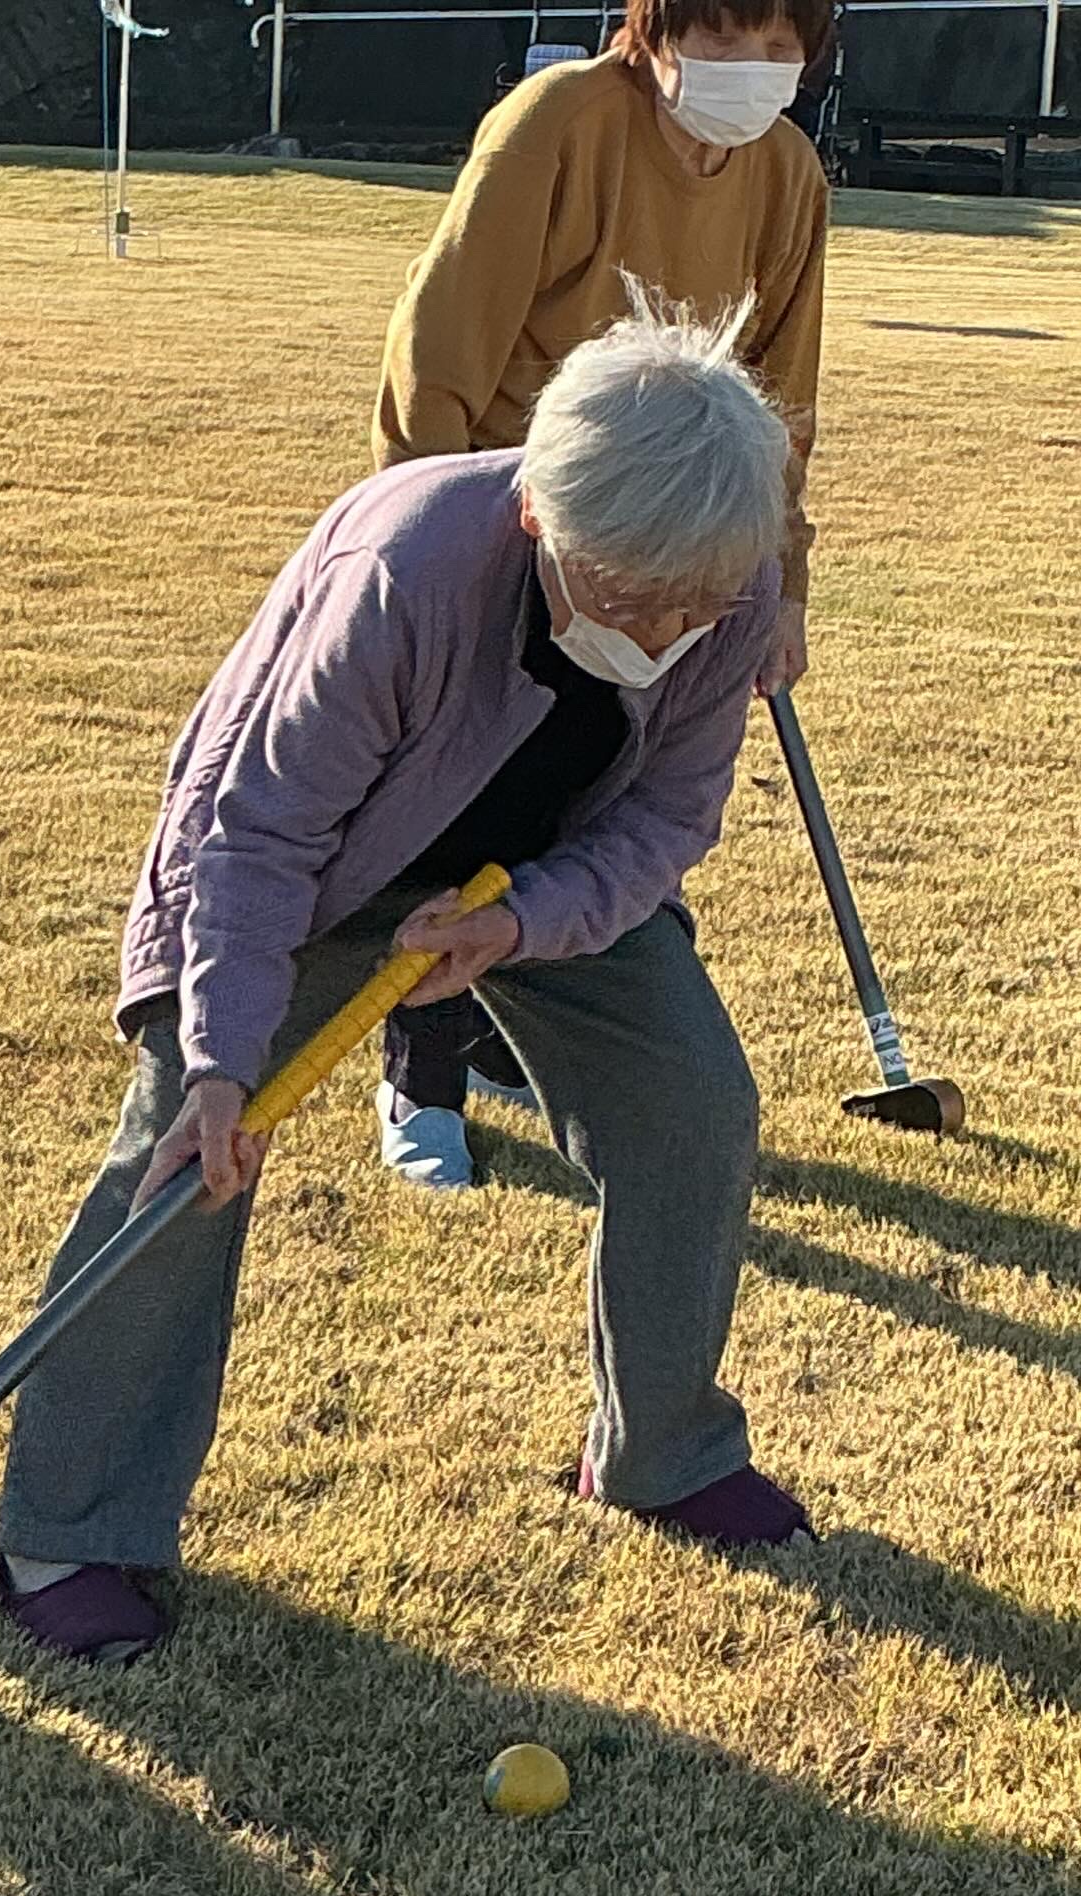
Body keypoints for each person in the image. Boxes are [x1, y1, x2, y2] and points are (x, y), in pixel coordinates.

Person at [0, 295, 815, 1667]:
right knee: (188, 1153)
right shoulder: (402, 569)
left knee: (693, 1105)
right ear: (542, 519)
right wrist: (221, 1063)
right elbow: (258, 837)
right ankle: (69, 1531)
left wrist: (523, 922)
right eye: (631, 600)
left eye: (697, 606)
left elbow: (668, 820)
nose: (669, 630)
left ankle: (658, 1453)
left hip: (537, 870)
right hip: (312, 867)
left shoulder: (726, 584)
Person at [372, 0, 833, 1190]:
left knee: (605, 801)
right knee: (463, 806)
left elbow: (781, 398)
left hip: (673, 551)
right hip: (517, 529)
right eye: (722, 41)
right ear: (655, 34)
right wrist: (431, 545)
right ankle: (421, 1074)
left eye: (779, 49)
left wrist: (780, 579)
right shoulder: (559, 125)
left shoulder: (788, 173)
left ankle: (523, 1038)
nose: (752, 71)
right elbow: (439, 349)